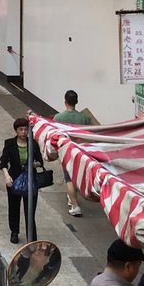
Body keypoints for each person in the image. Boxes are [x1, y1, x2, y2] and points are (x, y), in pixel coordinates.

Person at [0, 117, 43, 244]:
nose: (23, 132)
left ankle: (31, 237)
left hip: (30, 179)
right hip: (14, 178)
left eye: (25, 129)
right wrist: (7, 176)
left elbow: (40, 161)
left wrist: (34, 164)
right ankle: (14, 232)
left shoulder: (33, 143)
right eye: (20, 129)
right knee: (13, 207)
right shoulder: (9, 143)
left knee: (30, 209)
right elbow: (3, 162)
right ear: (16, 131)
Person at [54, 89, 92, 217]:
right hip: (81, 150)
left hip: (67, 150)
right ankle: (72, 197)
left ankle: (75, 205)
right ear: (77, 102)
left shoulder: (58, 117)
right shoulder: (84, 118)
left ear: (65, 102)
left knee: (69, 179)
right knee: (76, 176)